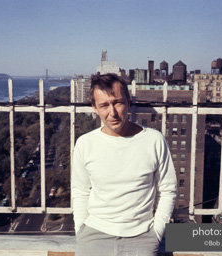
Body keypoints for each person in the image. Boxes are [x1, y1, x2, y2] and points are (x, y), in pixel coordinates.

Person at [71, 73, 177, 256]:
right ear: (94, 108)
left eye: (117, 103)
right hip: (93, 235)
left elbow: (168, 189)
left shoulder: (154, 140)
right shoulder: (85, 144)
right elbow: (80, 191)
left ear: (128, 101)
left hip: (141, 237)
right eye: (104, 105)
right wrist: (81, 230)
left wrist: (156, 233)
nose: (112, 113)